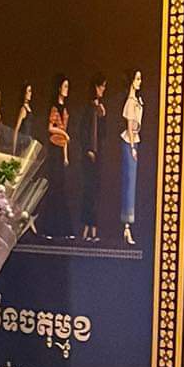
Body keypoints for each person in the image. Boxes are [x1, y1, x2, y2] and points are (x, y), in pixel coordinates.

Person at [40, 74, 73, 240]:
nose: (67, 90)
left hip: (60, 149)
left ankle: (62, 229)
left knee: (61, 187)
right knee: (54, 186)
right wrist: (64, 134)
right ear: (59, 88)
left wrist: (66, 155)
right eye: (65, 86)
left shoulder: (64, 109)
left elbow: (64, 136)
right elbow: (51, 128)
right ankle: (49, 228)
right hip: (53, 148)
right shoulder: (54, 108)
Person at [79, 72, 107, 242]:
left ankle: (93, 229)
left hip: (98, 156)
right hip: (88, 156)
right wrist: (88, 149)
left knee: (95, 191)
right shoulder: (88, 108)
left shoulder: (99, 108)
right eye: (101, 86)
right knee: (88, 191)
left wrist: (103, 117)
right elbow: (82, 132)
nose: (103, 89)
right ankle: (86, 228)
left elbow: (103, 134)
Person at [121, 68, 144, 246]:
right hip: (129, 142)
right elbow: (129, 126)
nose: (139, 82)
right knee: (129, 184)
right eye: (137, 79)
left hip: (134, 141)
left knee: (132, 184)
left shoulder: (137, 101)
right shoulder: (130, 102)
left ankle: (129, 226)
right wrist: (131, 147)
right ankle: (126, 226)